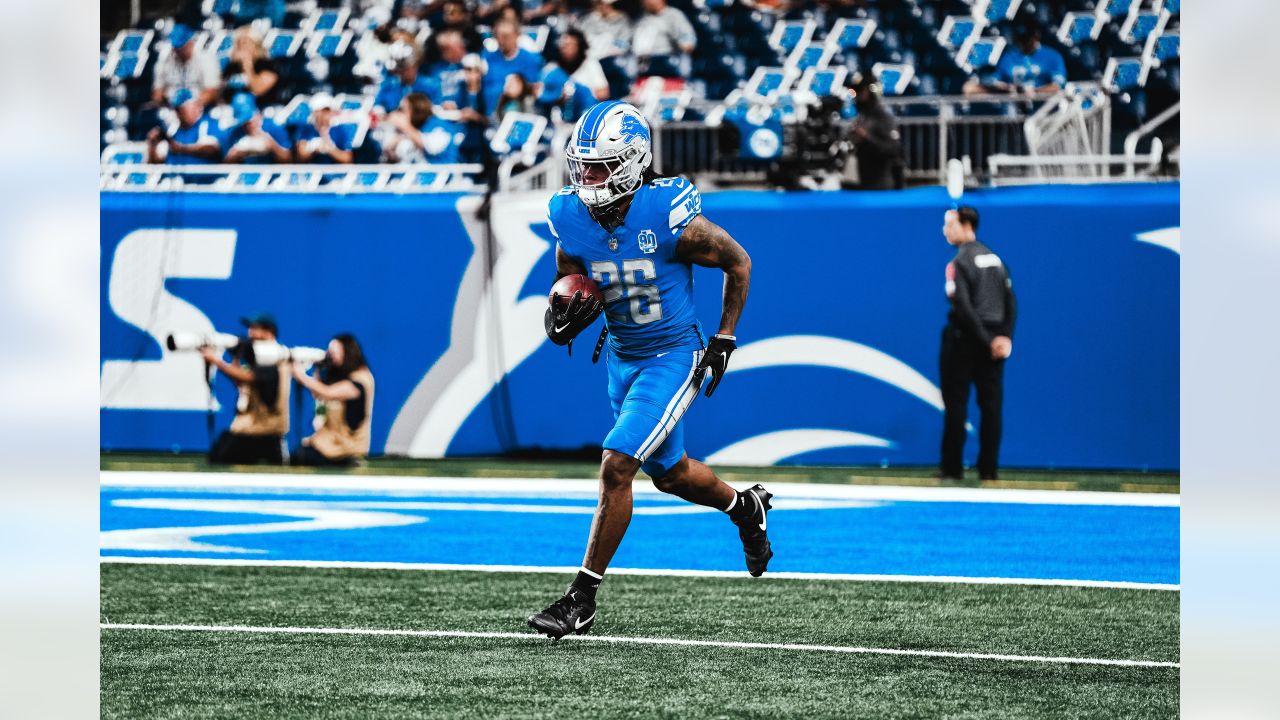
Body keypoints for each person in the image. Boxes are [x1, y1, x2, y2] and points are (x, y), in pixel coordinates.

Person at [527, 101, 769, 640]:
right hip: (621, 357)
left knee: (617, 466)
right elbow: (570, 271)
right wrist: (567, 308)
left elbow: (738, 261)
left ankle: (580, 600)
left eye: (600, 166)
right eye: (582, 166)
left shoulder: (666, 212)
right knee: (672, 474)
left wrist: (725, 336)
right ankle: (744, 506)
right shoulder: (568, 214)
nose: (587, 178)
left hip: (672, 354)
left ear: (633, 162)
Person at [938, 207, 1017, 481]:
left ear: (966, 225)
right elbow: (1011, 301)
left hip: (965, 340)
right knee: (991, 406)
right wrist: (1002, 338)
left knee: (956, 403)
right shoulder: (995, 259)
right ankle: (989, 469)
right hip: (993, 341)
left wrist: (984, 339)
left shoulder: (960, 262)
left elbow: (963, 305)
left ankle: (952, 468)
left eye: (950, 224)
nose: (945, 230)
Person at [203, 314, 290, 465]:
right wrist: (236, 358)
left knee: (223, 456)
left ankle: (275, 451)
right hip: (250, 426)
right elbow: (242, 382)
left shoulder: (275, 355)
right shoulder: (257, 356)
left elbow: (250, 377)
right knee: (219, 452)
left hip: (265, 429)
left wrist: (216, 360)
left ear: (269, 332)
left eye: (255, 329)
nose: (250, 333)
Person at [291, 334, 375, 467]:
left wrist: (300, 375)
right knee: (299, 454)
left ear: (347, 353)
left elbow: (328, 392)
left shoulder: (361, 379)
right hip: (331, 442)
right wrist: (318, 369)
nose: (331, 357)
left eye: (334, 353)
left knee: (300, 457)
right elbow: (318, 394)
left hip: (346, 448)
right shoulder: (342, 375)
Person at [964, 24, 1066, 97]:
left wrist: (1035, 92)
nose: (1022, 44)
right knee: (970, 87)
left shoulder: (1052, 56)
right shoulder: (1010, 56)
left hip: (1041, 104)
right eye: (1020, 40)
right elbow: (995, 79)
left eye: (1026, 40)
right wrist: (1005, 87)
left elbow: (1058, 86)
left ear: (1036, 37)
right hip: (1013, 101)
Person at [848, 72, 902, 190]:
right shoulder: (862, 117)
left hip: (880, 186)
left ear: (869, 92)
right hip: (862, 183)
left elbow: (892, 149)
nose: (856, 97)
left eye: (859, 92)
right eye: (854, 92)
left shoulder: (882, 116)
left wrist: (867, 137)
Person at [480, 19, 543, 116]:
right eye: (497, 36)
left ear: (517, 35)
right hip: (489, 116)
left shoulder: (531, 60)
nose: (501, 41)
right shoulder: (486, 57)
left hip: (517, 114)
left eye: (505, 36)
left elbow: (533, 92)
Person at [152, 23, 222, 110]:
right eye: (175, 47)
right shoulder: (164, 61)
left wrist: (191, 107)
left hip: (200, 107)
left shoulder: (206, 58)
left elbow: (212, 91)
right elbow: (157, 94)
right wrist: (166, 99)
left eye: (181, 46)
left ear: (190, 43)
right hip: (172, 107)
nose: (178, 50)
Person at [145, 88, 222, 165]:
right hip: (175, 176)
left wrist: (180, 148)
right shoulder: (172, 130)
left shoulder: (207, 124)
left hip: (206, 176)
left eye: (182, 108)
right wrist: (152, 145)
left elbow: (212, 149)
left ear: (196, 106)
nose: (179, 113)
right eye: (176, 109)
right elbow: (158, 162)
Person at [383, 92, 464, 163]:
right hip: (416, 177)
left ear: (416, 110)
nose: (400, 113)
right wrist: (391, 149)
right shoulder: (412, 130)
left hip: (443, 177)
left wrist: (405, 126)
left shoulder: (440, 126)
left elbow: (430, 147)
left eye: (403, 109)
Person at [220, 92, 293, 164]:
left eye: (250, 120)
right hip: (243, 173)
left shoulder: (273, 127)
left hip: (271, 174)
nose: (248, 125)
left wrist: (272, 146)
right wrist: (235, 154)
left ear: (257, 113)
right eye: (244, 123)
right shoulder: (235, 132)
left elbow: (288, 160)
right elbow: (225, 165)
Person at [631, 0, 697, 78]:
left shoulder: (674, 15)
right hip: (641, 66)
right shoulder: (640, 19)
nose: (649, 2)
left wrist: (686, 45)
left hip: (666, 65)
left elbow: (688, 38)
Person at [221, 26, 280, 106]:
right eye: (239, 43)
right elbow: (221, 91)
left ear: (256, 45)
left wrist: (248, 67)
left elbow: (258, 90)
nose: (242, 47)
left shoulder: (267, 65)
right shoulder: (232, 66)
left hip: (258, 109)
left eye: (245, 42)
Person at [295, 93, 356, 164]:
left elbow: (348, 158)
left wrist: (330, 149)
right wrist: (313, 148)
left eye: (328, 110)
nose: (326, 114)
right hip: (310, 172)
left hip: (333, 173)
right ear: (315, 112)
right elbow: (300, 156)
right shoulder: (306, 129)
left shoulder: (338, 130)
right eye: (323, 111)